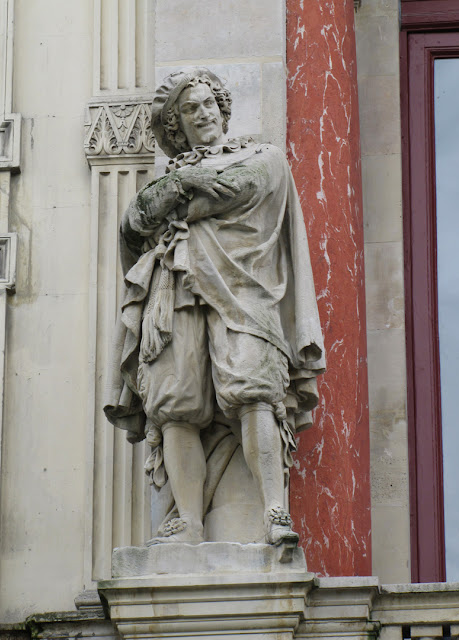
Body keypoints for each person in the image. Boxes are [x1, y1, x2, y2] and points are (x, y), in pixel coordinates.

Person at [104, 68, 325, 549]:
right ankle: (188, 522)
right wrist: (181, 188)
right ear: (176, 126)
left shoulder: (263, 156)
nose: (202, 113)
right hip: (175, 290)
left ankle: (273, 512)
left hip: (243, 290)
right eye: (189, 109)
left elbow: (240, 189)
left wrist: (182, 189)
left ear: (222, 109)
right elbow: (134, 222)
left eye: (208, 103)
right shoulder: (173, 175)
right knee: (174, 403)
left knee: (254, 392)